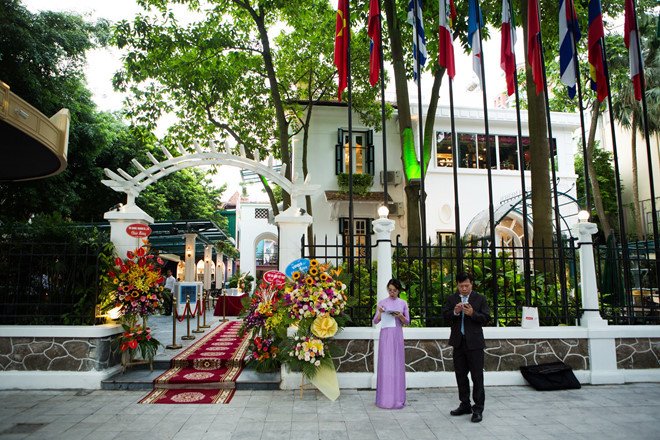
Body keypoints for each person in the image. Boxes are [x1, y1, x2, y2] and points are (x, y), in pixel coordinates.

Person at [442, 271, 490, 423]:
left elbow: (486, 318)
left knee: (477, 376)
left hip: (475, 344)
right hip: (458, 343)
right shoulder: (452, 299)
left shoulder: (480, 299)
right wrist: (455, 312)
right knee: (460, 375)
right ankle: (465, 404)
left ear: (471, 284)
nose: (464, 288)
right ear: (457, 285)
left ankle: (478, 409)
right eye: (461, 286)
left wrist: (472, 313)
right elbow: (445, 316)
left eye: (466, 285)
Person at [373, 278, 410, 409]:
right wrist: (380, 312)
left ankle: (397, 398)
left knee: (397, 364)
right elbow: (375, 321)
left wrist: (400, 316)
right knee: (385, 364)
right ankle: (384, 399)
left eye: (394, 290)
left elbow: (407, 322)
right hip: (385, 335)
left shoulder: (403, 303)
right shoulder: (382, 303)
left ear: (398, 290)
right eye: (389, 290)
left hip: (397, 335)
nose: (392, 293)